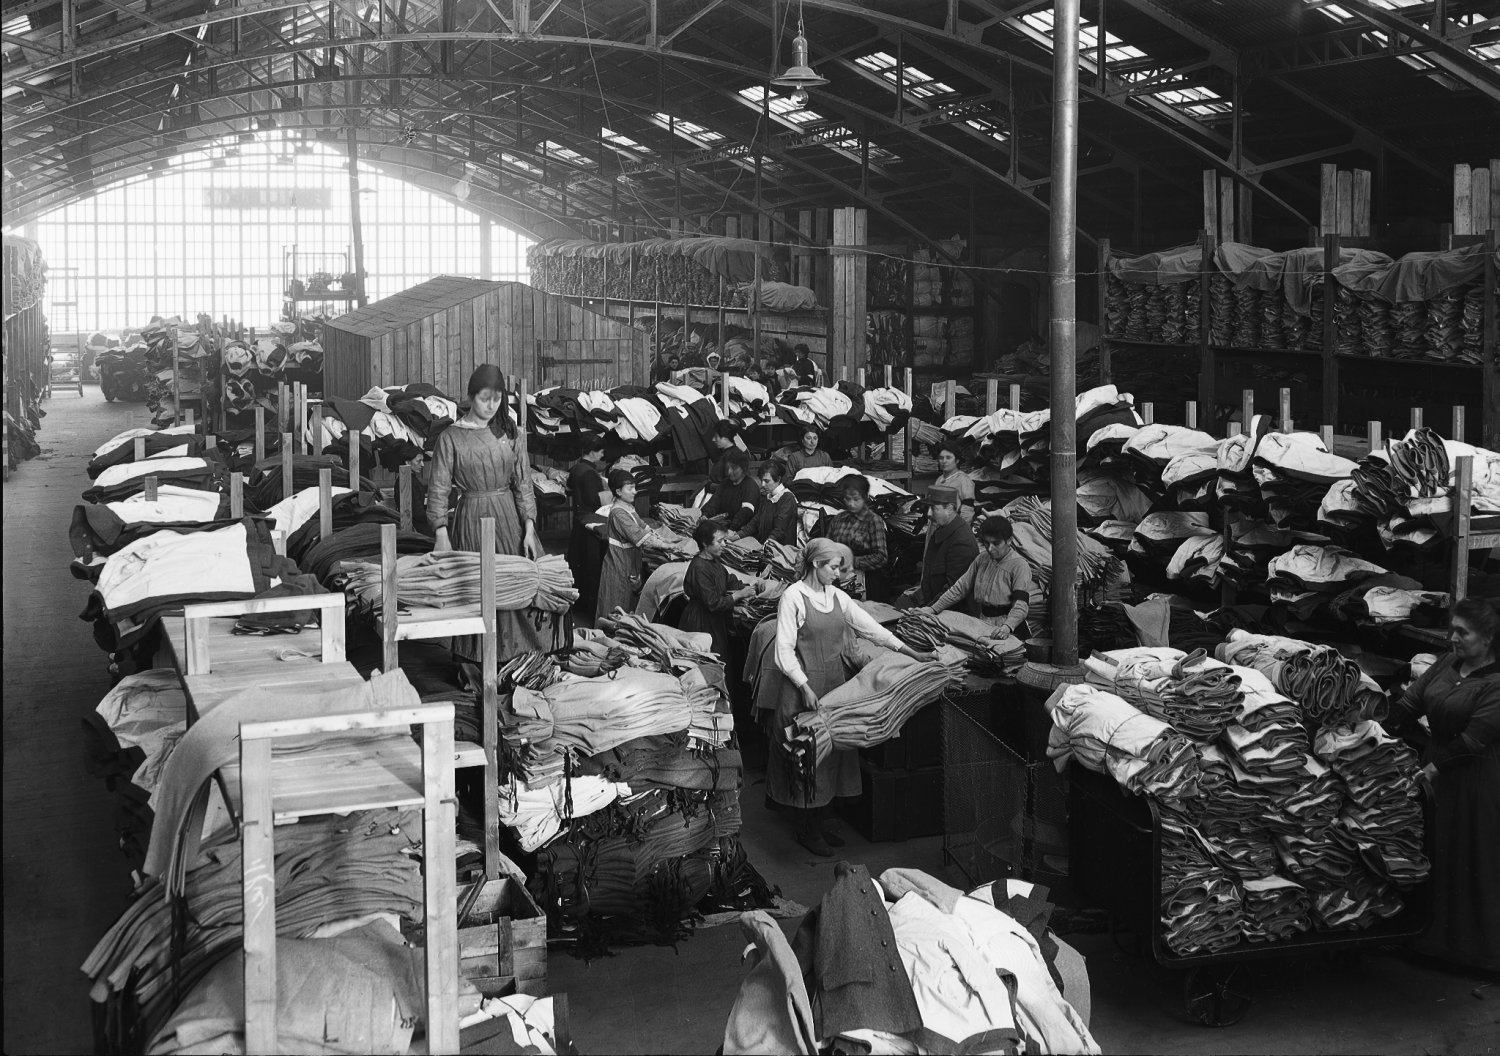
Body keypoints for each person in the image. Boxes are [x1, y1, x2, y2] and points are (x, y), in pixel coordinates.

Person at [765, 538, 936, 855]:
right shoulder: (793, 598)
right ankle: (806, 829)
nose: (839, 573)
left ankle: (821, 821)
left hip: (833, 684)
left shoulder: (837, 597)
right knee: (806, 752)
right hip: (801, 685)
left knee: (832, 754)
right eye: (833, 567)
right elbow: (783, 651)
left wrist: (912, 652)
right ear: (816, 565)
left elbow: (872, 629)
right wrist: (804, 686)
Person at [1386, 597, 1500, 972]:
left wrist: (1434, 768)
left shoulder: (1495, 683)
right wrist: (1377, 729)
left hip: (1472, 778)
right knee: (1434, 851)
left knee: (1469, 854)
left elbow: (1473, 740)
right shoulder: (1448, 663)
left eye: (1462, 632)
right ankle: (1430, 940)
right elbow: (1411, 702)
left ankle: (1477, 953)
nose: (1453, 638)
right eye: (1451, 629)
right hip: (1433, 767)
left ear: (1488, 638)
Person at [428, 364, 545, 661]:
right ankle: (481, 664)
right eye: (484, 398)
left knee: (516, 583)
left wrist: (529, 527)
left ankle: (520, 664)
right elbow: (439, 489)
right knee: (478, 590)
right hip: (471, 518)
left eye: (497, 399)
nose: (491, 406)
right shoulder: (450, 438)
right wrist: (441, 534)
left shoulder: (512, 433)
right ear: (469, 397)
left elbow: (523, 483)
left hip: (509, 517)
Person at [917, 515, 1034, 642]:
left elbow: (1021, 604)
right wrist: (934, 608)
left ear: (1009, 541)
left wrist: (1007, 627)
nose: (990, 548)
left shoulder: (1019, 566)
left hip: (1010, 627)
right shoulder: (982, 559)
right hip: (983, 621)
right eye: (986, 543)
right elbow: (960, 588)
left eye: (996, 543)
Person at [681, 519, 762, 660]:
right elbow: (713, 603)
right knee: (708, 662)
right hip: (700, 623)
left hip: (715, 622)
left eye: (724, 540)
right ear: (706, 543)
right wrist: (738, 595)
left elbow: (729, 580)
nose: (724, 545)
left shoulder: (714, 562)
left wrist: (751, 587)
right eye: (720, 541)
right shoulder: (699, 567)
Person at [596, 468, 666, 621]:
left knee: (629, 608)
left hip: (629, 562)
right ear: (619, 492)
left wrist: (664, 537)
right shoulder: (618, 513)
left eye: (634, 487)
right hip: (619, 565)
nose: (635, 491)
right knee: (616, 608)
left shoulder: (629, 509)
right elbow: (641, 537)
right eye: (630, 488)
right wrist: (670, 546)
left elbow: (645, 528)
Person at [901, 484, 979, 608]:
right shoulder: (942, 530)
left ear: (949, 508)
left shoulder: (961, 542)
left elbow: (954, 592)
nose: (929, 513)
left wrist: (928, 611)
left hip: (951, 615)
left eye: (933, 508)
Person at [824, 473, 890, 602]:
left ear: (865, 497)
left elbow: (881, 556)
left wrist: (852, 562)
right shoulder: (838, 519)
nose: (851, 504)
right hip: (840, 577)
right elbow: (827, 545)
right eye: (847, 499)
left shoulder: (873, 520)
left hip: (867, 581)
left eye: (855, 499)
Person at [565, 434, 607, 614]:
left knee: (577, 563)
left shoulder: (576, 468)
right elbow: (594, 500)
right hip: (591, 523)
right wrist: (606, 490)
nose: (603, 454)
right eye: (601, 450)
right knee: (591, 566)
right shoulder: (590, 473)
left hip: (578, 522)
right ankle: (589, 608)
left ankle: (578, 604)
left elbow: (568, 489)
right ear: (592, 451)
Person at [735, 460, 798, 546]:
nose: (763, 484)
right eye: (761, 480)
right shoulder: (768, 497)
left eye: (767, 481)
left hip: (781, 549)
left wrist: (765, 546)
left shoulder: (787, 498)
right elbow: (755, 522)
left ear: (778, 479)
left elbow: (779, 530)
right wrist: (737, 536)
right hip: (765, 545)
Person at [701, 449, 761, 534]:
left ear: (743, 468)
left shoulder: (750, 486)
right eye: (727, 468)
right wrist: (705, 515)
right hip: (725, 528)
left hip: (741, 532)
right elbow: (714, 503)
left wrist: (732, 529)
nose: (729, 472)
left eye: (734, 468)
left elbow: (746, 512)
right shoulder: (725, 483)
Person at [933, 441, 976, 523]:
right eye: (941, 458)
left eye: (948, 458)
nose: (944, 461)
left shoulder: (964, 480)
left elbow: (967, 512)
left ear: (957, 460)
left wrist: (958, 531)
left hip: (954, 528)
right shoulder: (939, 480)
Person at [705, 421, 743, 488]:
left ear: (725, 438)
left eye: (716, 436)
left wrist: (709, 486)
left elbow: (734, 486)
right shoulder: (725, 454)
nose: (713, 439)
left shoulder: (734, 456)